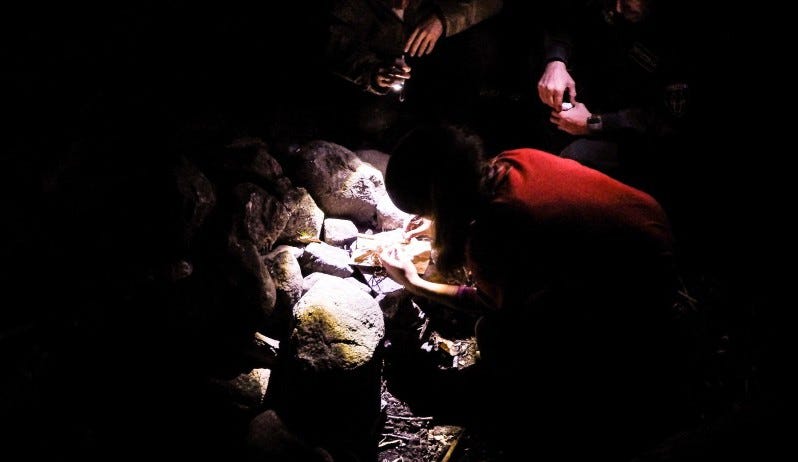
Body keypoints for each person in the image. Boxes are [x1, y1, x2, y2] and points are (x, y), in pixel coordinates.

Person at [378, 123, 702, 459]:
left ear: (441, 202)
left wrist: (415, 283)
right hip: (657, 248)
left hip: (641, 298)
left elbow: (488, 305)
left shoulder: (496, 231)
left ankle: (562, 412)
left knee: (496, 336)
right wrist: (441, 222)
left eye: (426, 211)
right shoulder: (515, 160)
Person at [535, 0, 695, 214]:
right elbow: (568, 20)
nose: (617, 8)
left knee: (574, 157)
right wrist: (556, 61)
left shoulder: (678, 39)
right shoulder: (617, 9)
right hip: (601, 102)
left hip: (641, 141)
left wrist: (593, 123)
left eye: (628, 2)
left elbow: (664, 121)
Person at [322, 0, 504, 149]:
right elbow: (334, 42)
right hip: (386, 81)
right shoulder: (350, 6)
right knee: (372, 119)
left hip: (441, 64)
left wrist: (443, 19)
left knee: (480, 45)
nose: (402, 3)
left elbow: (492, 2)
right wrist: (373, 73)